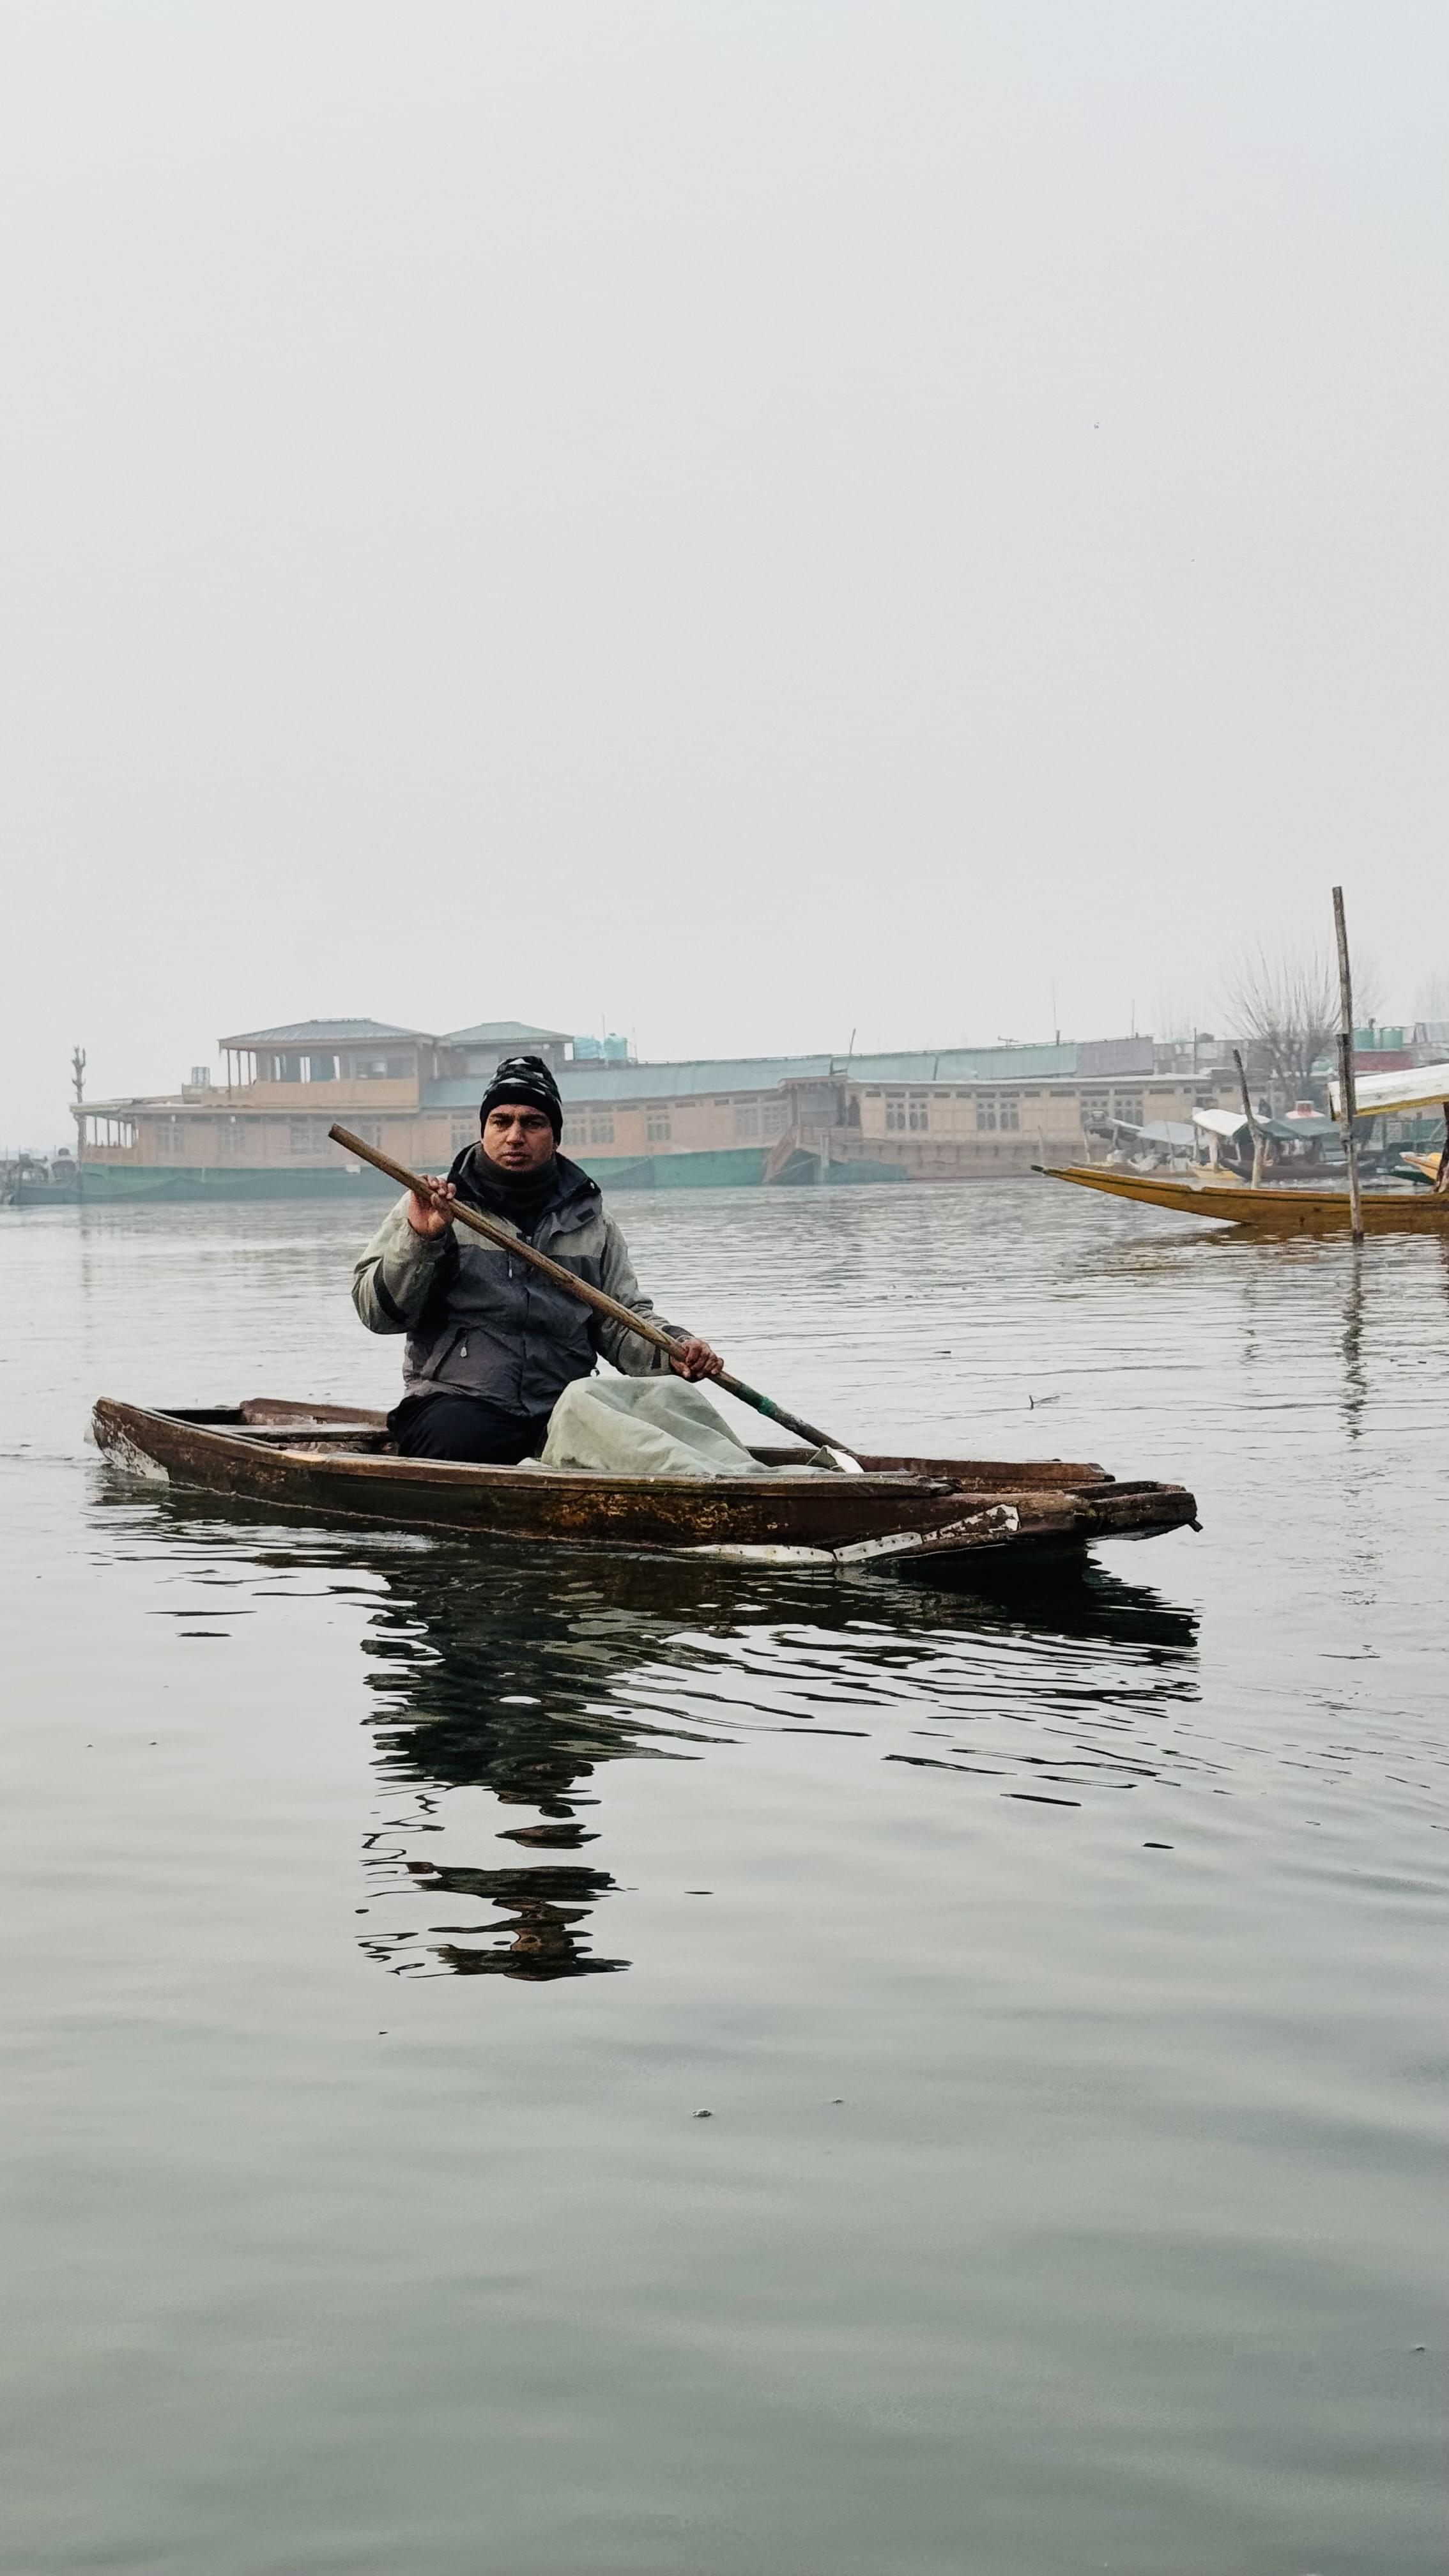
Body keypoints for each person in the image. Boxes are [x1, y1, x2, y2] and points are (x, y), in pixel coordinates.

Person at [352, 1054, 723, 1461]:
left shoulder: (591, 1222)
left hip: (562, 1408)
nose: (515, 1136)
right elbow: (378, 1314)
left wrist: (675, 1349)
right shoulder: (432, 1205)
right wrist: (422, 1239)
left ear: (555, 1136)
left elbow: (622, 1321)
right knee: (460, 1440)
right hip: (457, 1402)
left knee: (668, 1422)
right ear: (483, 1131)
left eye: (532, 1123)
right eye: (501, 1121)